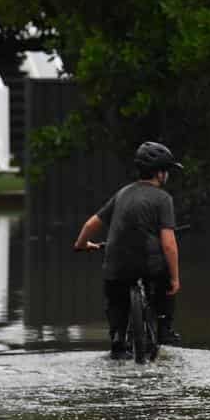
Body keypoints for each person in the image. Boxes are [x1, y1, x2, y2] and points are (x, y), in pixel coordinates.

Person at [73, 141, 183, 359]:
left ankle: (117, 338)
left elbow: (90, 225)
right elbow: (169, 244)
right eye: (167, 171)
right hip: (150, 265)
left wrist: (81, 244)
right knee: (167, 286)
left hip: (117, 265)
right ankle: (164, 329)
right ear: (159, 174)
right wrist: (175, 278)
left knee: (115, 299)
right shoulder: (163, 199)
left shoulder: (122, 193)